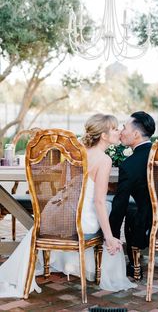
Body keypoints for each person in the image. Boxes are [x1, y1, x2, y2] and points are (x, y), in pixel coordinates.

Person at [0, 114, 136, 298]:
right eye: (114, 128)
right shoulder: (104, 160)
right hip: (81, 222)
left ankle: (75, 264)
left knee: (106, 207)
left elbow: (65, 187)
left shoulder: (76, 154)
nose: (119, 131)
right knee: (108, 208)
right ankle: (99, 269)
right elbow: (98, 202)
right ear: (104, 136)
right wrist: (110, 237)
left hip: (57, 216)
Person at [109, 111, 158, 279]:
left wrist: (111, 237)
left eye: (124, 127)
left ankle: (135, 266)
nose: (121, 131)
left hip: (146, 226)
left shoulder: (130, 164)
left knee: (130, 210)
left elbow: (119, 204)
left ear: (135, 134)